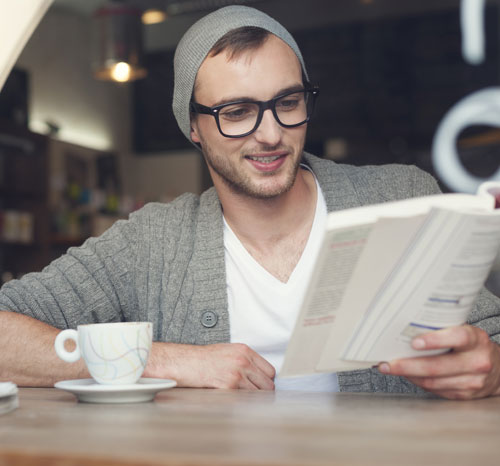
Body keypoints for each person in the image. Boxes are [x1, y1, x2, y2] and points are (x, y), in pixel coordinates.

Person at [0, 5, 499, 399]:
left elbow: (489, 336)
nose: (270, 134)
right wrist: (165, 361)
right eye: (236, 112)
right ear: (193, 127)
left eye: (287, 103)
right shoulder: (151, 242)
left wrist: (490, 367)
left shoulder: (401, 196)